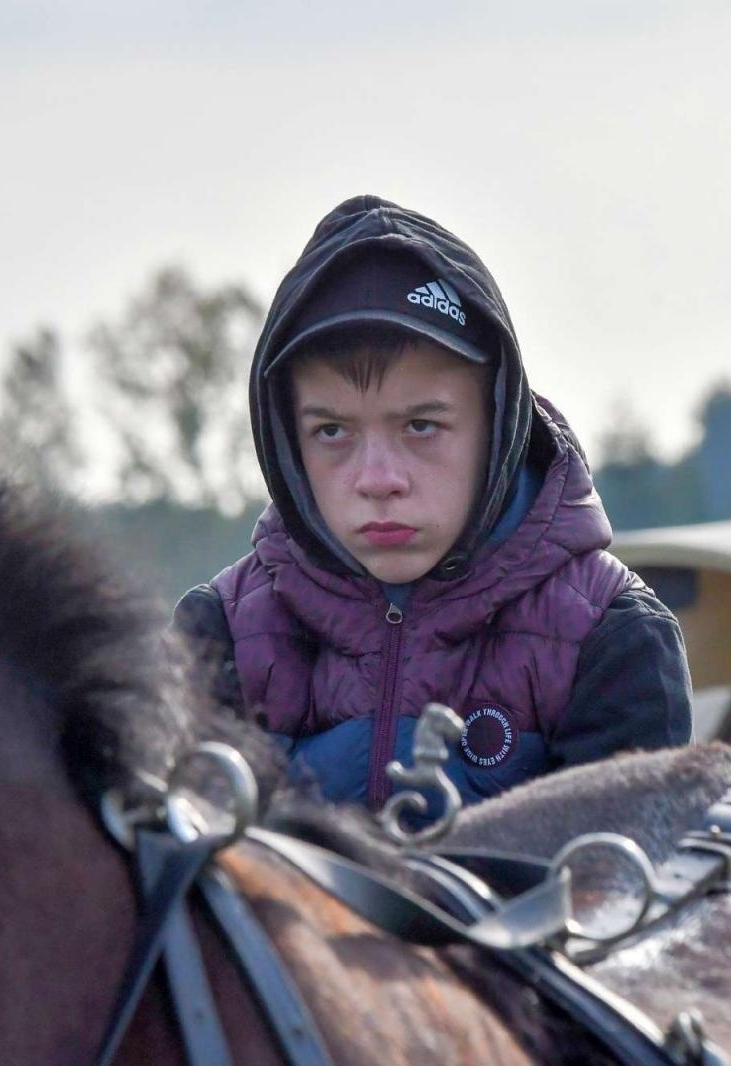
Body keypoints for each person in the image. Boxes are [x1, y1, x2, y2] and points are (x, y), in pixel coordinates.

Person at [174, 195, 692, 810]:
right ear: (286, 442)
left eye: (421, 425)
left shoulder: (613, 636)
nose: (378, 478)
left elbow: (624, 899)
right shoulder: (219, 636)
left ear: (498, 427)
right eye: (331, 432)